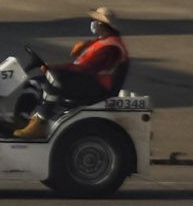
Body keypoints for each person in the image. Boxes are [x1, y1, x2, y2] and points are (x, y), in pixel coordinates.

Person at [12, 8, 129, 139]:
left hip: (97, 87)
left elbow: (86, 68)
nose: (93, 23)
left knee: (55, 79)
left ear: (102, 24)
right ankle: (21, 120)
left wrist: (56, 68)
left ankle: (41, 122)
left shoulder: (111, 47)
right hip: (87, 80)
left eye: (95, 21)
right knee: (34, 83)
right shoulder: (102, 42)